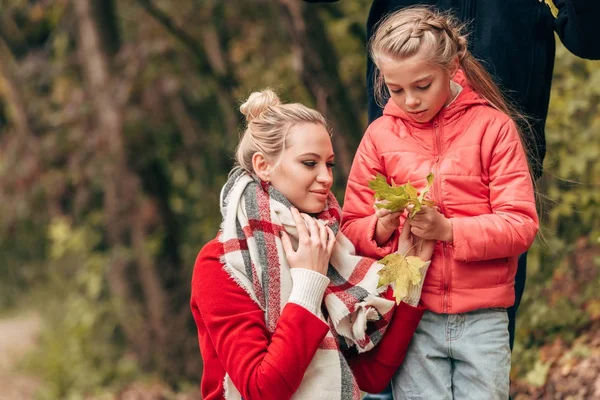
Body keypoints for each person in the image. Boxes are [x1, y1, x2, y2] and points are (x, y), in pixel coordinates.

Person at [341, 7, 539, 399]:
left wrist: (449, 230)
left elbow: (520, 225)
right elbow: (350, 229)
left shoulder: (493, 128)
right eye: (396, 90)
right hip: (413, 314)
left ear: (451, 66)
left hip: (484, 318)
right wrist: (380, 226)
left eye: (422, 85)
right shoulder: (379, 136)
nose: (410, 100)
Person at [190, 89, 435, 400]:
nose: (326, 177)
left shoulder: (331, 246)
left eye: (329, 164)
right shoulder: (221, 262)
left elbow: (370, 375)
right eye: (309, 163)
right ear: (263, 165)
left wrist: (409, 276)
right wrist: (308, 283)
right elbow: (260, 390)